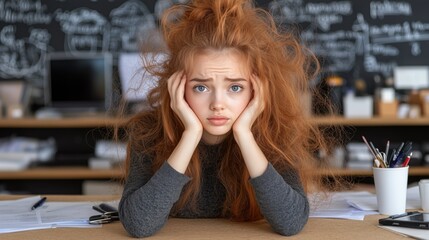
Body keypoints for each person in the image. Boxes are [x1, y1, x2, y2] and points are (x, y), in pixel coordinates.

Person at [118, 0, 341, 237]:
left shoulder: (274, 131)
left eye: (235, 88)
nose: (217, 104)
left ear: (256, 90)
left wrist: (245, 135)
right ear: (178, 87)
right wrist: (190, 134)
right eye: (201, 88)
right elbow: (139, 224)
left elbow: (291, 222)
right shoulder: (149, 131)